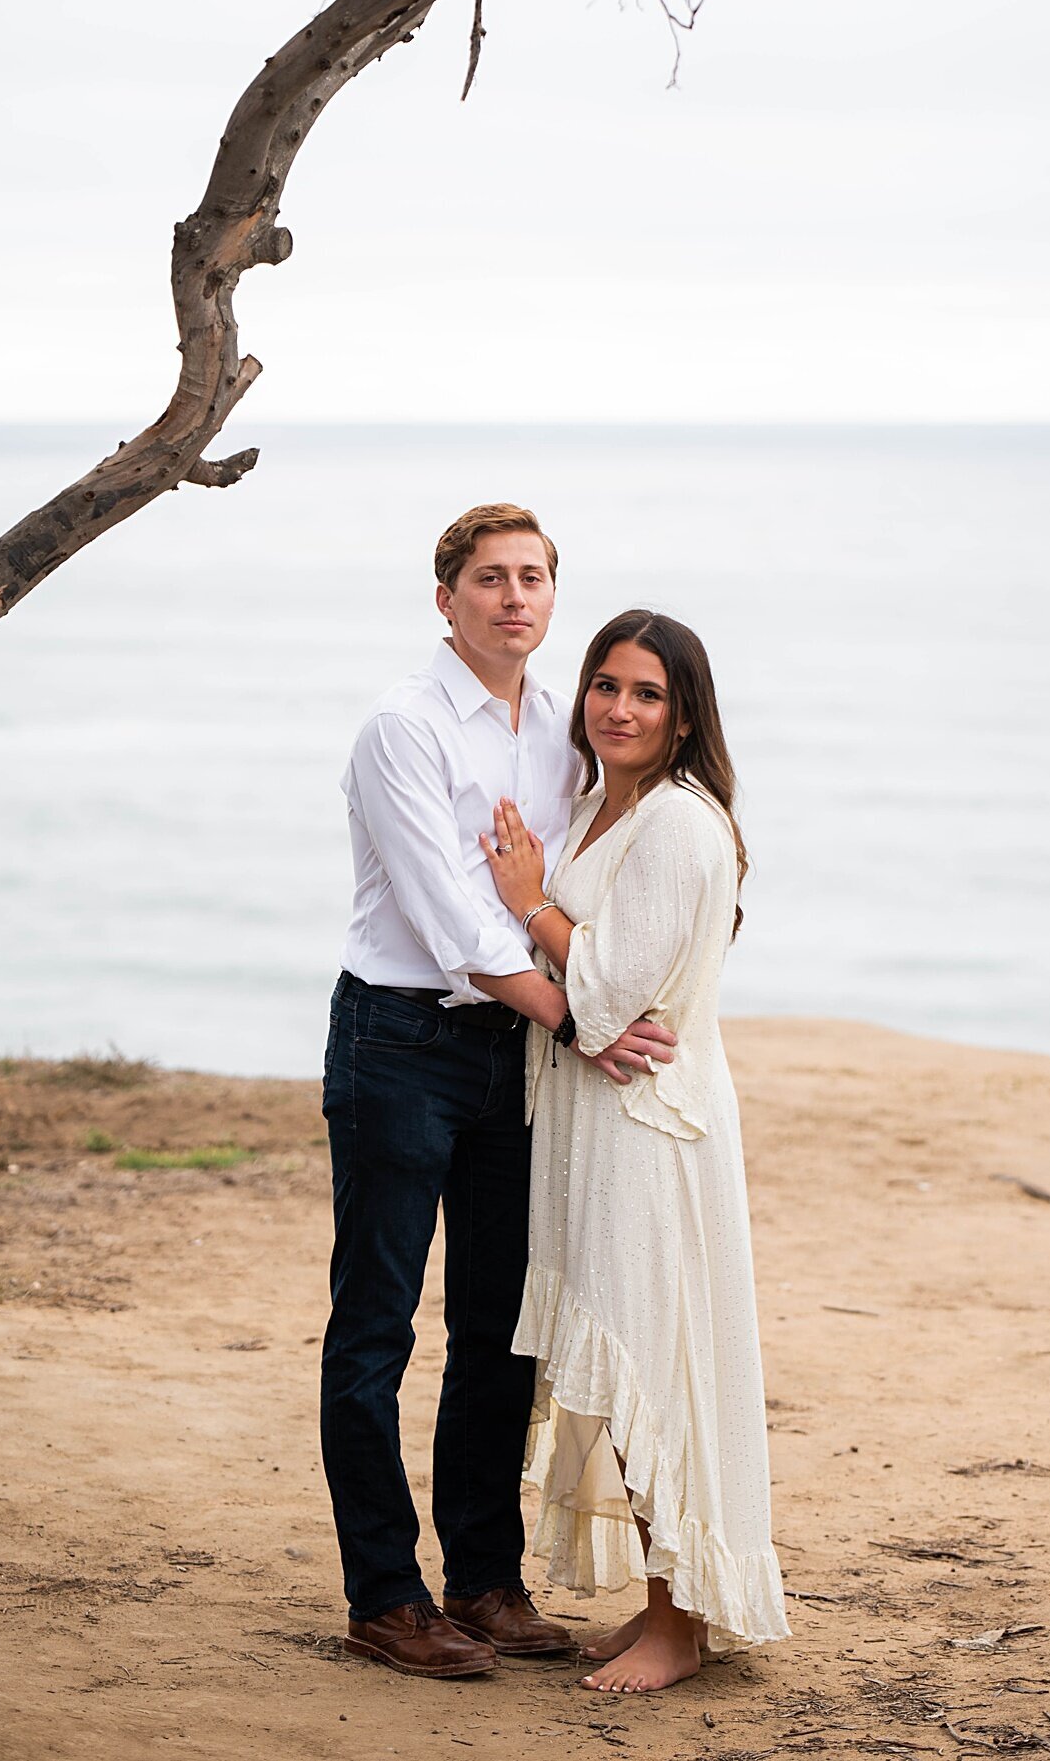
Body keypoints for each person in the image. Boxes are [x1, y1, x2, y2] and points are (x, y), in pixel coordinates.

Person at [320, 508, 677, 1680]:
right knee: (374, 1327)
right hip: (399, 1041)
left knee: (497, 1330)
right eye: (488, 579)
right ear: (446, 599)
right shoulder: (401, 729)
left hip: (510, 1059)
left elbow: (581, 876)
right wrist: (581, 1020)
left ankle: (482, 1582)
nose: (512, 598)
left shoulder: (564, 738)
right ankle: (385, 1595)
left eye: (531, 578)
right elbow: (455, 922)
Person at [480, 608, 790, 1693]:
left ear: (683, 714)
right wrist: (542, 921)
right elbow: (584, 994)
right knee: (615, 1369)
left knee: (653, 1365)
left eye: (645, 694)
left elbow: (607, 998)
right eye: (605, 686)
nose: (617, 708)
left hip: (650, 1129)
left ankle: (679, 1622)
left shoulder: (680, 826)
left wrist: (531, 907)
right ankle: (667, 1608)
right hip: (587, 1120)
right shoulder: (588, 810)